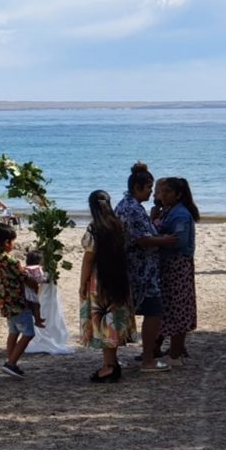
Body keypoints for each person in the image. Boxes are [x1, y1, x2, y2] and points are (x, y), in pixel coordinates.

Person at [114, 161, 176, 373]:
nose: (152, 192)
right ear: (137, 187)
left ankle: (115, 358)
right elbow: (141, 239)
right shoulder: (132, 208)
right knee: (153, 312)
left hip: (135, 268)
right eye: (149, 188)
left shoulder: (126, 205)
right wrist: (165, 240)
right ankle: (148, 359)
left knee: (127, 312)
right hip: (141, 271)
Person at [79, 190, 136, 383]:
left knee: (104, 323)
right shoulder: (119, 225)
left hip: (100, 279)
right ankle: (112, 363)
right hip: (119, 276)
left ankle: (109, 366)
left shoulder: (94, 228)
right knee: (113, 319)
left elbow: (88, 259)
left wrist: (82, 284)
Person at [158, 178, 200, 367]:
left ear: (178, 194)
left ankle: (175, 355)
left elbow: (179, 241)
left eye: (167, 192)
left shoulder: (181, 215)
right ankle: (173, 352)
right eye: (161, 192)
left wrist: (156, 238)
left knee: (178, 309)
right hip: (169, 265)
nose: (162, 195)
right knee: (170, 308)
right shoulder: (169, 211)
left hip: (177, 266)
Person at [0, 222, 39, 378]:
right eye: (13, 241)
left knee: (13, 331)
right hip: (16, 301)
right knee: (28, 333)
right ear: (7, 242)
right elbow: (25, 278)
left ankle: (10, 360)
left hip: (4, 301)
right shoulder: (11, 261)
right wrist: (35, 283)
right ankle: (11, 363)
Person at [24, 250, 48, 328]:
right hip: (31, 291)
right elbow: (39, 278)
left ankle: (36, 319)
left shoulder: (25, 268)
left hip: (24, 290)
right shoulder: (36, 268)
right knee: (36, 305)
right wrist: (46, 279)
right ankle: (38, 320)